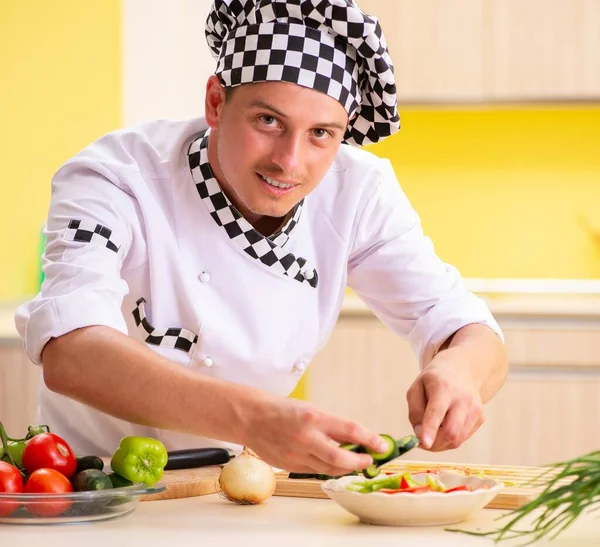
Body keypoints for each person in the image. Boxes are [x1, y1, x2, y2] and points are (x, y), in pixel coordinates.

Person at [15, 0, 507, 476]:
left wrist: (460, 370)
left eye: (321, 133)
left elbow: (464, 325)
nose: (289, 161)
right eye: (268, 121)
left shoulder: (358, 194)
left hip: (235, 485)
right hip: (90, 486)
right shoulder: (113, 179)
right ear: (215, 102)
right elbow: (70, 349)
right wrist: (253, 418)